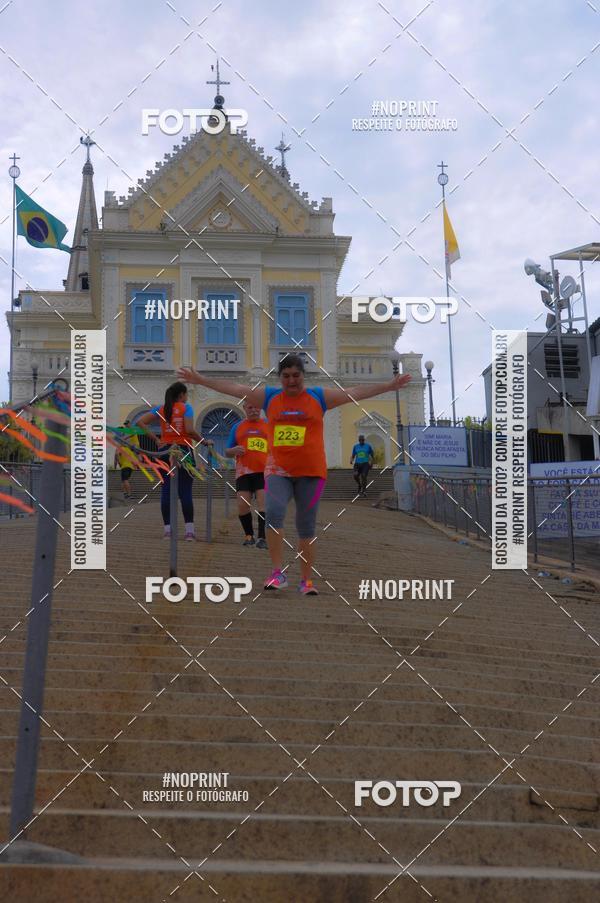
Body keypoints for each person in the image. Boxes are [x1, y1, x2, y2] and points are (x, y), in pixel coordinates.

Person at [177, 354, 411, 593]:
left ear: (303, 376)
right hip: (279, 470)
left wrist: (388, 386)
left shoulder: (318, 397)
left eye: (296, 376)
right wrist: (201, 380)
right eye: (286, 376)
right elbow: (236, 388)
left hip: (312, 472)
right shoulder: (269, 397)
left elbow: (354, 392)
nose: (291, 381)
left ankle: (306, 579)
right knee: (274, 515)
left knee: (305, 526)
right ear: (280, 378)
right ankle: (277, 573)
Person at [137, 382, 212, 541]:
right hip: (183, 450)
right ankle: (189, 532)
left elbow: (140, 422)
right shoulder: (187, 408)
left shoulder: (162, 409)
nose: (186, 397)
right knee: (185, 491)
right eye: (186, 395)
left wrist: (157, 440)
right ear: (182, 395)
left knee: (166, 490)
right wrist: (204, 441)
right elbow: (190, 430)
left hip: (165, 451)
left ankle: (168, 531)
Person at [225, 400, 268, 549]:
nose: (254, 410)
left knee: (264, 505)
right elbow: (227, 451)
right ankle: (249, 535)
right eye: (250, 407)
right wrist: (234, 450)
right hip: (243, 472)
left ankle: (263, 537)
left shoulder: (269, 425)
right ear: (244, 408)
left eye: (256, 407)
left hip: (265, 471)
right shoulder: (237, 427)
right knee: (242, 505)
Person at [114, 419, 139, 498]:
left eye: (127, 424)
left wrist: (118, 464)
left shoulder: (132, 429)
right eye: (125, 424)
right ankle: (125, 493)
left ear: (129, 424)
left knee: (124, 480)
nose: (126, 425)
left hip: (135, 446)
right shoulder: (126, 448)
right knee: (123, 480)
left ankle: (128, 494)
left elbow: (116, 456)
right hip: (129, 465)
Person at [351, 434, 375, 498]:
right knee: (355, 475)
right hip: (357, 464)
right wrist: (351, 460)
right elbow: (353, 455)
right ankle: (359, 485)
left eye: (362, 440)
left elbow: (372, 455)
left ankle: (364, 490)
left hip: (365, 464)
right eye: (360, 440)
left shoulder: (368, 446)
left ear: (364, 440)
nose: (361, 441)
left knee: (364, 476)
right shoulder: (355, 446)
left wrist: (372, 463)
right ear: (359, 440)